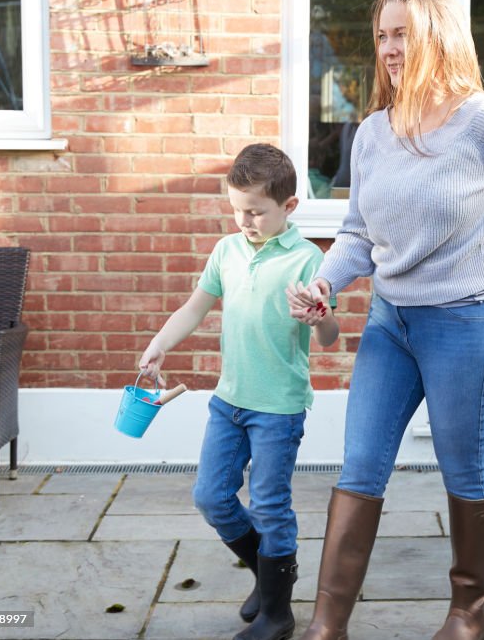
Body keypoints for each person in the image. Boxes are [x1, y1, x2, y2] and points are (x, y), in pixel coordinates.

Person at [286, 0, 484, 640]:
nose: (388, 47)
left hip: (465, 322)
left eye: (402, 34)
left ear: (436, 38)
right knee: (359, 467)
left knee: (462, 467)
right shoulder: (372, 133)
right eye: (383, 34)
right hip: (391, 321)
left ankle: (469, 610)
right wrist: (325, 283)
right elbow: (358, 231)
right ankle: (327, 625)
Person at [139, 143, 338, 640]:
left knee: (270, 505)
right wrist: (160, 345)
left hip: (278, 407)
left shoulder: (307, 258)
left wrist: (321, 317)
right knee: (211, 497)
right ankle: (267, 579)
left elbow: (330, 336)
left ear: (288, 207)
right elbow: (195, 306)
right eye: (237, 210)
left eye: (255, 212)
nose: (244, 220)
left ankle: (278, 612)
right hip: (229, 401)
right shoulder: (226, 251)